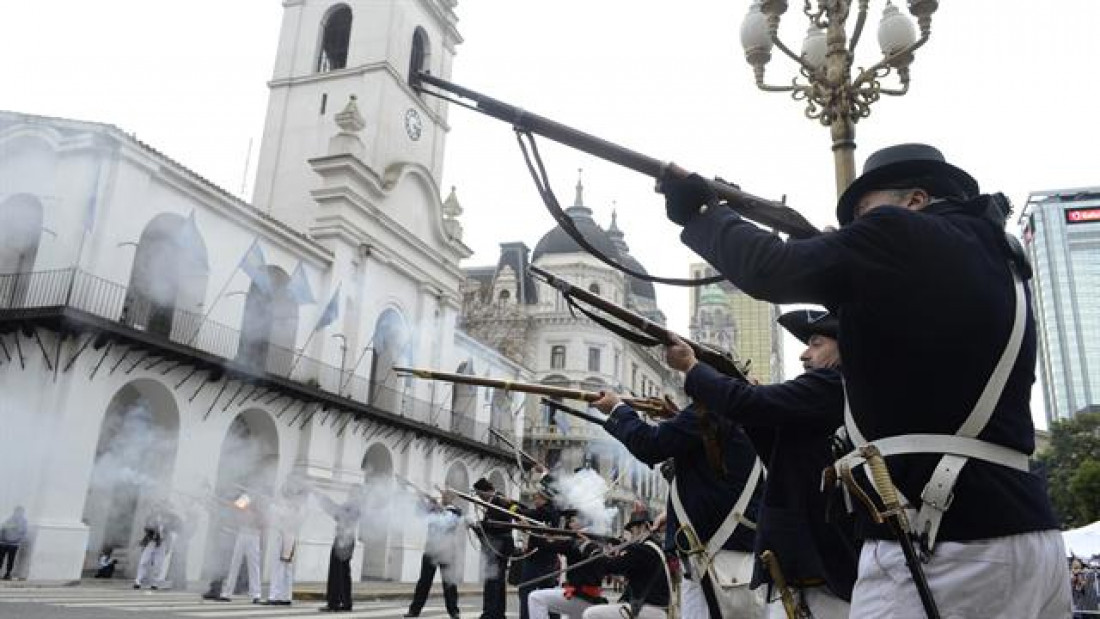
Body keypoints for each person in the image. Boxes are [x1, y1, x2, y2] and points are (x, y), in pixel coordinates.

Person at [661, 143, 1071, 616]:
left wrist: (702, 213)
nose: (858, 226)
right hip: (1027, 535)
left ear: (915, 200)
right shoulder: (1001, 263)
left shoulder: (900, 232)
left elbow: (769, 269)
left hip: (942, 541)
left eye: (864, 211)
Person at [665, 310, 856, 618]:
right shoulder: (835, 394)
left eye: (816, 343)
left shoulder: (834, 384)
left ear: (844, 346)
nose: (805, 355)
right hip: (806, 568)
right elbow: (777, 450)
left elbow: (745, 404)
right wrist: (752, 398)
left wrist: (691, 367)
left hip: (823, 573)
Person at [593, 389, 765, 618]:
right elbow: (711, 484)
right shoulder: (738, 421)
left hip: (720, 559)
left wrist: (617, 409)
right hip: (713, 559)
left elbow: (651, 445)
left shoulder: (713, 411)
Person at [582, 507, 670, 619]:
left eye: (632, 531)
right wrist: (616, 555)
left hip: (645, 610)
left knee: (591, 614)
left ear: (643, 527)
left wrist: (590, 548)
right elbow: (628, 571)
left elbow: (609, 567)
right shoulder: (655, 548)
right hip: (656, 610)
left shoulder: (641, 549)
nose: (631, 536)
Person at [527, 512, 608, 619]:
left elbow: (547, 546)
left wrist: (531, 531)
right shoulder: (595, 540)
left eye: (573, 521)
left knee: (535, 597)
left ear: (583, 522)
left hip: (581, 597)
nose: (570, 524)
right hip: (589, 596)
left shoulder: (578, 541)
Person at [406, 490, 463, 619]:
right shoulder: (434, 509)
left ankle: (454, 611)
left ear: (453, 498)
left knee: (449, 583)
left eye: (447, 495)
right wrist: (420, 500)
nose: (444, 497)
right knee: (424, 582)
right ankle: (414, 610)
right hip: (431, 549)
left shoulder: (456, 511)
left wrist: (436, 506)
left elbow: (448, 520)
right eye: (444, 495)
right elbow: (419, 514)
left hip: (447, 550)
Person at [471, 478, 516, 619]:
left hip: (500, 544)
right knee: (497, 581)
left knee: (492, 581)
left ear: (487, 491)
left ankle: (490, 614)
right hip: (498, 543)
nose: (480, 498)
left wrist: (481, 526)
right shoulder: (495, 500)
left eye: (480, 495)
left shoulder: (499, 500)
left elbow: (501, 523)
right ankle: (497, 613)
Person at [515, 485, 562, 619]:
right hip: (548, 558)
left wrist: (513, 508)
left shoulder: (544, 512)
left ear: (544, 498)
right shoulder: (552, 511)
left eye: (537, 498)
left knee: (525, 589)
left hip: (537, 557)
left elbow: (527, 514)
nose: (535, 501)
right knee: (547, 592)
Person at [317, 485, 364, 613]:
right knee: (344, 572)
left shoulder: (353, 504)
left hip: (343, 540)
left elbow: (338, 514)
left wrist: (324, 499)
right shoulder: (356, 505)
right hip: (347, 540)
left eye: (352, 491)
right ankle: (346, 602)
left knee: (336, 572)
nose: (349, 493)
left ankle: (334, 602)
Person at [215, 493, 264, 603]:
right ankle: (227, 592)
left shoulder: (258, 502)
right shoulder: (245, 497)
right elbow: (235, 508)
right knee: (235, 563)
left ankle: (256, 594)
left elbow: (262, 522)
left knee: (254, 565)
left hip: (254, 534)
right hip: (243, 532)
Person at [266, 480, 309, 606]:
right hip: (290, 536)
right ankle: (285, 596)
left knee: (279, 567)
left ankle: (275, 596)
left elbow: (279, 516)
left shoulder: (292, 507)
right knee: (286, 568)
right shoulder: (297, 507)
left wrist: (273, 505)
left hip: (285, 536)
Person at [133, 502, 172, 590]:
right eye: (155, 507)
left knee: (158, 563)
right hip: (151, 542)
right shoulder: (150, 518)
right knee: (144, 561)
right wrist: (153, 528)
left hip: (162, 543)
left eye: (159, 507)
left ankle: (155, 583)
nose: (157, 509)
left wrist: (167, 544)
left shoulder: (168, 519)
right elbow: (146, 528)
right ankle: (138, 581)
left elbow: (169, 531)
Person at [0, 506, 27, 580]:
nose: (18, 513)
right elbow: (3, 527)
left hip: (14, 544)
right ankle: (6, 573)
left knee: (11, 559)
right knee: (1, 558)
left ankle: (8, 574)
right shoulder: (9, 518)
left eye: (20, 512)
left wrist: (19, 539)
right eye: (17, 511)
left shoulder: (23, 521)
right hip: (4, 542)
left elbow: (23, 531)